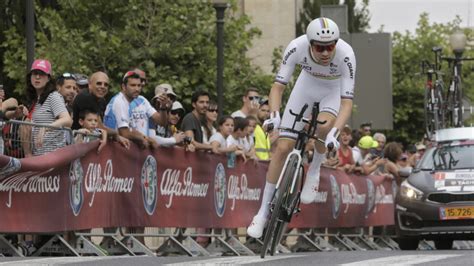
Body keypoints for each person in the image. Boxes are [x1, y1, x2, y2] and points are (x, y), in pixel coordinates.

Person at [247, 17, 357, 238]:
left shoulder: (346, 55)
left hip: (332, 92)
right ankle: (261, 214)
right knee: (283, 147)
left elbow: (346, 103)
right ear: (309, 44)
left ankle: (315, 168)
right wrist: (275, 117)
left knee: (324, 126)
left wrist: (335, 134)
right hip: (305, 86)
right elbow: (278, 88)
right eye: (319, 47)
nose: (326, 52)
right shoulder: (296, 47)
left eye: (330, 46)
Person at [103, 70, 162, 149]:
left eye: (139, 85)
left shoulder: (127, 101)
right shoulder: (119, 101)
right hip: (111, 149)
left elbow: (130, 131)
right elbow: (124, 133)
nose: (137, 89)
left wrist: (143, 137)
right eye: (133, 85)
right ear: (124, 87)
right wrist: (145, 138)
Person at [25, 59, 72, 156]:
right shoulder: (36, 100)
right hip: (39, 157)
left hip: (53, 157)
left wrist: (45, 128)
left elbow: (67, 120)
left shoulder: (53, 96)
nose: (37, 77)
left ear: (48, 78)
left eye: (41, 74)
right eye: (34, 73)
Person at [71, 71, 130, 149]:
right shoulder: (84, 97)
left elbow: (101, 127)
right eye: (99, 83)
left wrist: (116, 136)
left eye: (106, 84)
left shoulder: (102, 100)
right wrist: (115, 134)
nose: (103, 86)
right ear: (90, 85)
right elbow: (99, 127)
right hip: (77, 144)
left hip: (91, 142)